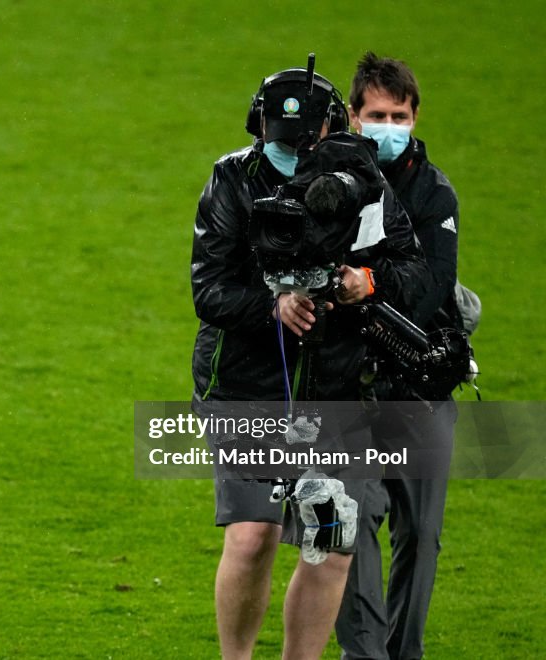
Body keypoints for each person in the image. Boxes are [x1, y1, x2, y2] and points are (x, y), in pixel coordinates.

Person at [191, 61, 430, 659]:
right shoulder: (232, 180)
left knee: (328, 542)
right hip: (248, 388)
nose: (290, 150)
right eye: (278, 138)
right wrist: (270, 307)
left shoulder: (367, 184)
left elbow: (414, 271)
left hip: (336, 389)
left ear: (328, 129)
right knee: (253, 537)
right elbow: (209, 288)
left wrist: (365, 283)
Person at [336, 52, 462, 660]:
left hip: (419, 386)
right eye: (377, 114)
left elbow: (433, 286)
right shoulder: (329, 181)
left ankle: (402, 651)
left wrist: (367, 281)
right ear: (353, 118)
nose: (389, 125)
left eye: (400, 115)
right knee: (347, 523)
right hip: (346, 385)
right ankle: (365, 655)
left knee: (423, 532)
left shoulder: (435, 193)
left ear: (414, 118)